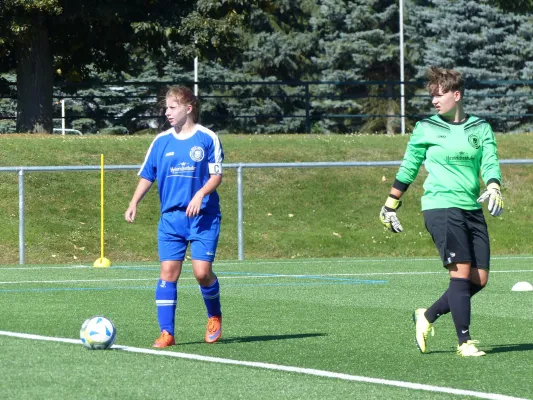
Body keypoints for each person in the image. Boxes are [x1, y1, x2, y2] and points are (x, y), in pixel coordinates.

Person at [379, 67, 503, 357]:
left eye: (440, 95)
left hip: (471, 208)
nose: (434, 101)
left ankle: (427, 315)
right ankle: (465, 342)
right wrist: (391, 203)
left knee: (479, 278)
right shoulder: (426, 128)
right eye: (431, 96)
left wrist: (494, 185)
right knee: (459, 274)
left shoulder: (481, 128)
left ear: (456, 95)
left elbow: (490, 162)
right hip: (440, 207)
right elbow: (409, 167)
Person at [125, 85, 224, 348]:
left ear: (188, 108)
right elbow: (148, 174)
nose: (167, 112)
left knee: (202, 273)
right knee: (168, 272)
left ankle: (214, 315)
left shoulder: (207, 138)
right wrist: (134, 202)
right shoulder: (161, 141)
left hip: (203, 217)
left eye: (172, 107)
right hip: (171, 218)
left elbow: (216, 176)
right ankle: (167, 332)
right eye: (166, 107)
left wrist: (200, 194)